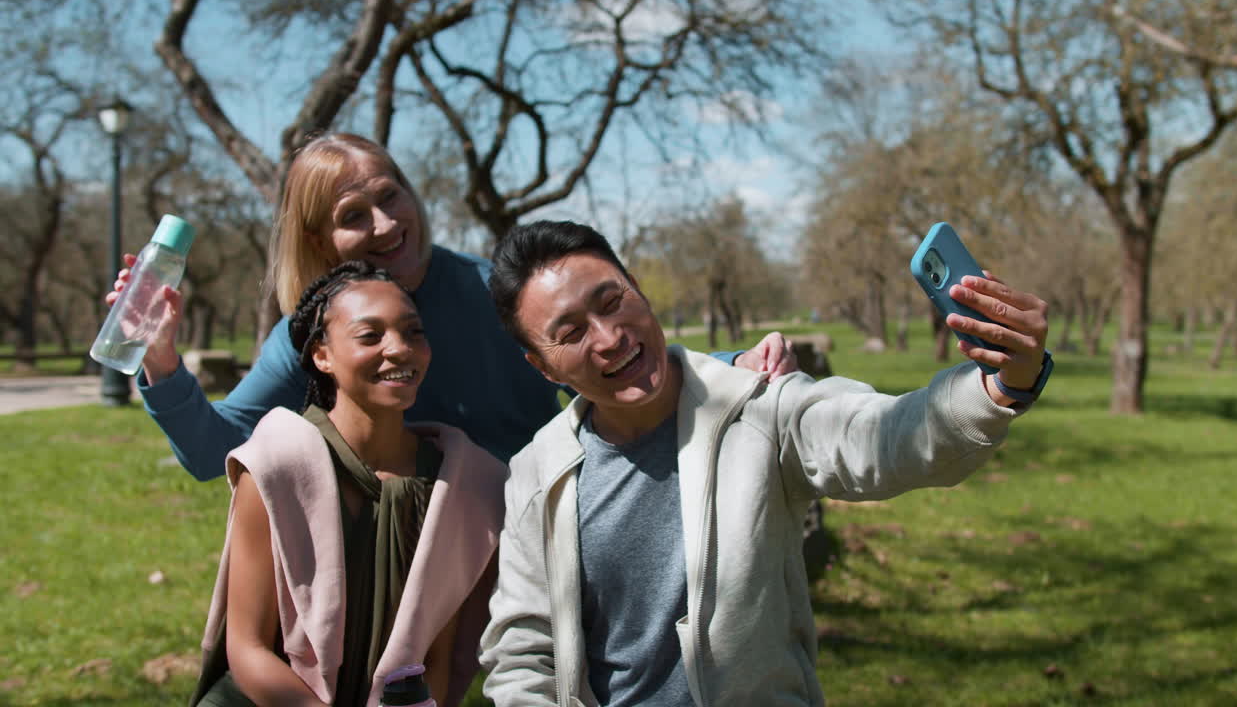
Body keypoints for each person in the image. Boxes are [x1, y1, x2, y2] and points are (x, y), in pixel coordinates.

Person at [478, 220, 1053, 706]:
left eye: (613, 302)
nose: (609, 337)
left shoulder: (756, 406)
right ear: (544, 368)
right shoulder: (539, 471)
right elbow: (523, 651)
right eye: (571, 333)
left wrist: (1001, 385)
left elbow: (885, 439)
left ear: (640, 291)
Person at [106, 133, 796, 480]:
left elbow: (608, 357)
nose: (385, 225)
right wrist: (160, 362)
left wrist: (736, 363)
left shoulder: (491, 291)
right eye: (353, 216)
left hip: (534, 525)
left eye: (391, 196)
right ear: (318, 241)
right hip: (401, 565)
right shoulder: (309, 337)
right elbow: (215, 453)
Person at [191, 261, 504, 707]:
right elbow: (247, 649)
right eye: (370, 335)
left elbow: (433, 658)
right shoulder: (275, 465)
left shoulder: (460, 486)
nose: (399, 349)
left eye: (413, 332)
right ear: (322, 356)